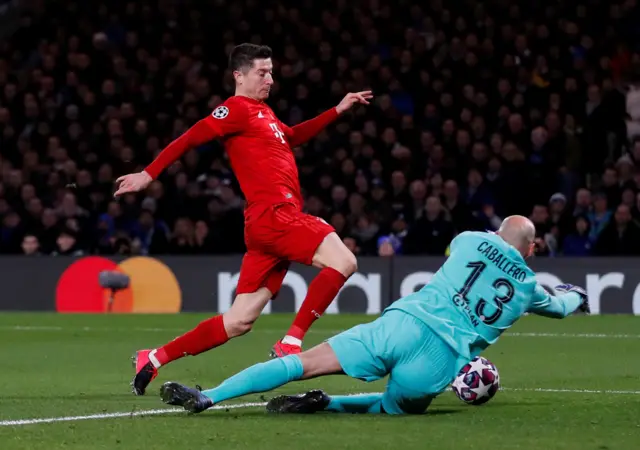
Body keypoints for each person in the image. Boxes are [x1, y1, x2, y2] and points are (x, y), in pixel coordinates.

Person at [113, 43, 373, 396]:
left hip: (266, 225)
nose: (270, 79)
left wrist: (337, 110)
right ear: (239, 75)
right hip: (274, 215)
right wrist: (149, 173)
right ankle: (291, 343)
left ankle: (154, 357)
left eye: (271, 72)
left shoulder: (264, 113)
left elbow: (292, 136)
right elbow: (191, 138)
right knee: (344, 261)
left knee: (238, 321)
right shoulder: (234, 109)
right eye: (262, 73)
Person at [159, 216, 590, 415]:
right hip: (439, 361)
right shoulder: (531, 288)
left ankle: (209, 396)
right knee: (391, 406)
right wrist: (574, 294)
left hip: (402, 324)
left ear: (497, 233)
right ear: (531, 250)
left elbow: (466, 252)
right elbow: (561, 307)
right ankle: (329, 405)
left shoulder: (471, 239)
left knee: (299, 363)